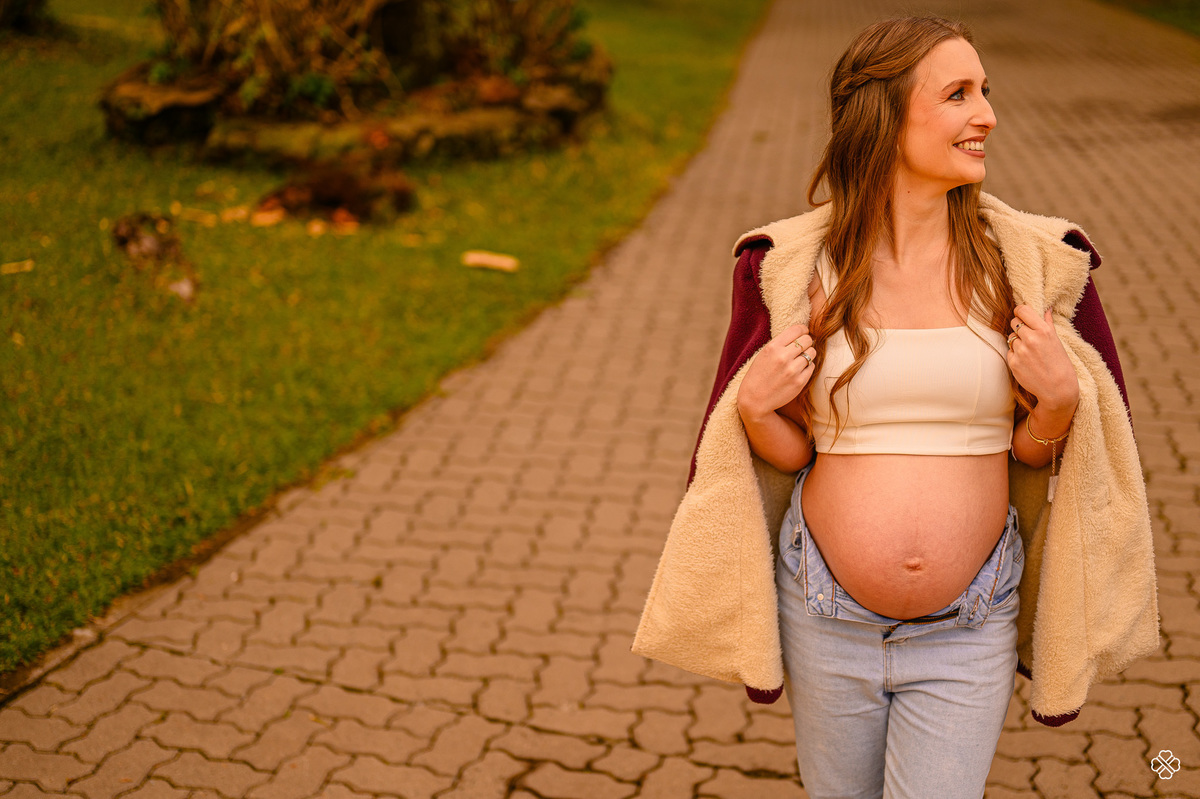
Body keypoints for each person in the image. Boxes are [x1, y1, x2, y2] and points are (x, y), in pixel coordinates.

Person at [633, 15, 1159, 799]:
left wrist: (1055, 404)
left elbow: (1037, 454)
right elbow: (797, 453)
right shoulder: (802, 272)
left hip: (971, 620)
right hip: (823, 610)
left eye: (986, 91)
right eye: (958, 94)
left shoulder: (1025, 269)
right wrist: (753, 412)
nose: (987, 115)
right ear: (883, 116)